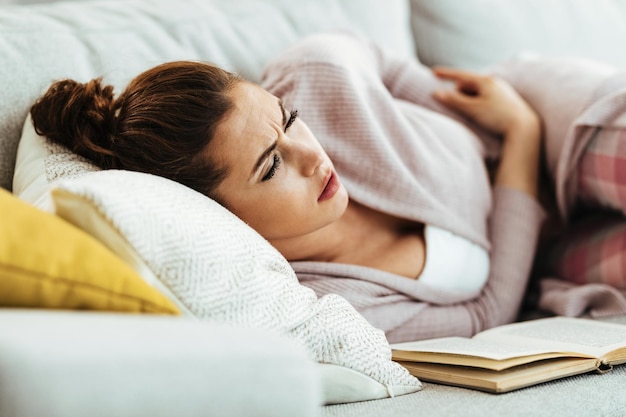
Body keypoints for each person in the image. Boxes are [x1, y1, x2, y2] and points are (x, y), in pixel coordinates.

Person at [30, 31, 576, 343]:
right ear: (222, 217)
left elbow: (382, 61)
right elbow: (489, 312)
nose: (314, 158)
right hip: (554, 247)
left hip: (543, 109)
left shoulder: (315, 73)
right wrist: (520, 137)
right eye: (270, 168)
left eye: (289, 121)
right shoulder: (336, 304)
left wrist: (517, 119)